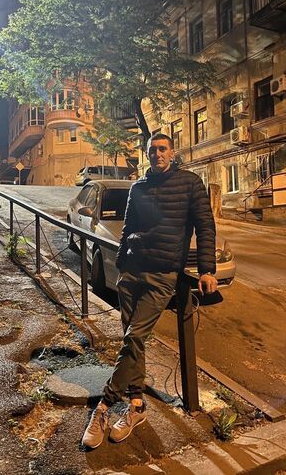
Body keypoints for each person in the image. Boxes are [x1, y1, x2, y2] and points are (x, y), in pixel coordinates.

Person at [81, 133, 217, 448]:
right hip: (131, 272)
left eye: (162, 149)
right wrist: (123, 261)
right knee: (134, 341)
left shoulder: (190, 183)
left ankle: (104, 405)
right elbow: (128, 228)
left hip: (162, 274)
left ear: (172, 151)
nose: (157, 154)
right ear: (147, 154)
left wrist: (207, 270)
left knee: (133, 338)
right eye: (152, 150)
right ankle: (137, 406)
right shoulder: (138, 187)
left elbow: (205, 227)